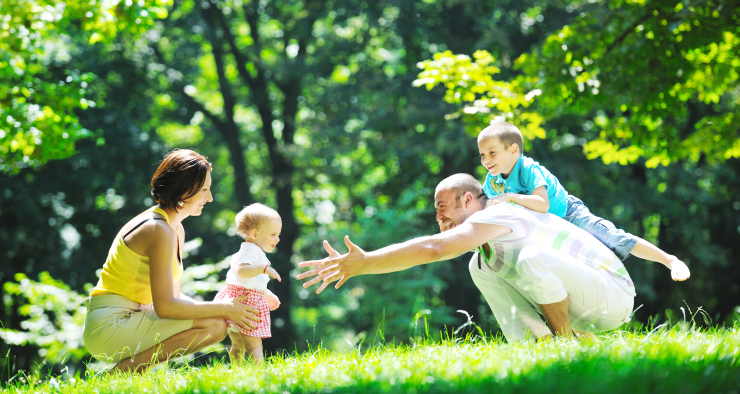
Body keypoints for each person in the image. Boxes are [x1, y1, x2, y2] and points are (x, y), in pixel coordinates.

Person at [298, 174, 639, 342]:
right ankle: (541, 350)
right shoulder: (484, 246)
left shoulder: (500, 211)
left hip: (613, 293)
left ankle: (566, 346)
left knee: (532, 258)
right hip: (586, 302)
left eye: (442, 207)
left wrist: (365, 262)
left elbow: (434, 247)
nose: (439, 218)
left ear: (467, 200)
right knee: (480, 267)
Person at [83, 149, 260, 373]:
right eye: (204, 189)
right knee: (215, 325)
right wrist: (224, 307)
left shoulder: (174, 228)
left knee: (216, 321)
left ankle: (131, 371)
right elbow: (166, 307)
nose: (210, 197)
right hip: (110, 325)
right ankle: (126, 371)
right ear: (185, 191)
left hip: (132, 317)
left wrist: (225, 306)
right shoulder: (158, 229)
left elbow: (174, 299)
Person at [476, 122, 690, 281]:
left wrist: (511, 197)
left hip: (568, 214)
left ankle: (669, 259)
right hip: (541, 227)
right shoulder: (492, 181)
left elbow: (542, 204)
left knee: (611, 237)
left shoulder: (529, 169)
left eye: (492, 153)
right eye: (482, 155)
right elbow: (485, 207)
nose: (486, 160)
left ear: (513, 150)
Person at [213, 203, 283, 364]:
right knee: (254, 345)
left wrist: (267, 293)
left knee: (238, 344)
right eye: (273, 234)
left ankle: (237, 372)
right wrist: (264, 269)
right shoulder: (252, 250)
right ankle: (258, 378)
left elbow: (249, 282)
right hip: (247, 302)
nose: (277, 239)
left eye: (278, 234)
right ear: (254, 233)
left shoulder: (250, 250)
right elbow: (242, 272)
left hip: (239, 297)